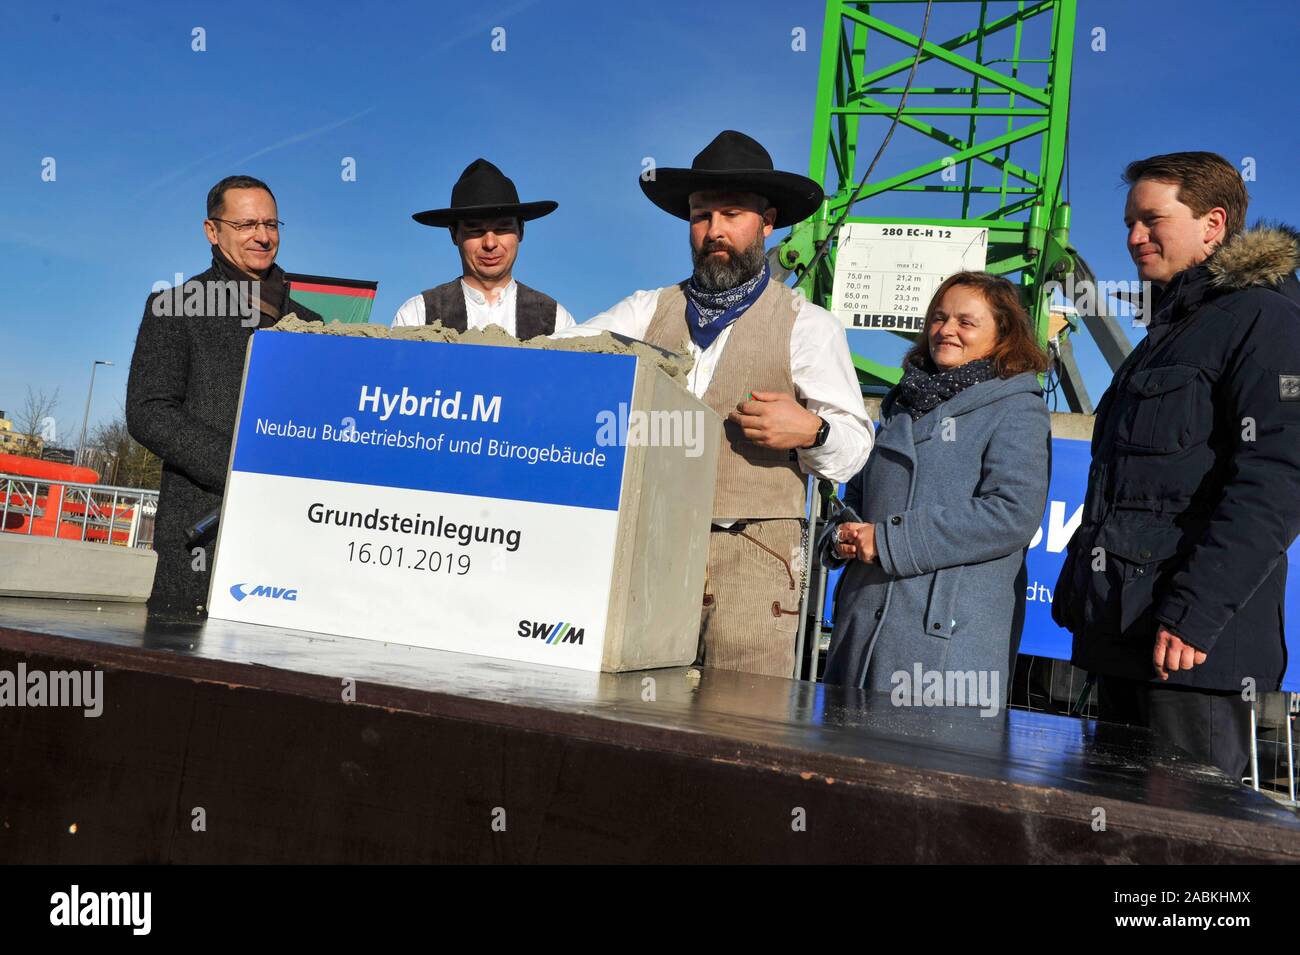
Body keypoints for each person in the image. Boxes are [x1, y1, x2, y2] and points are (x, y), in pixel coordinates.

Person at [554, 130, 873, 678]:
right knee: (630, 714)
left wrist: (812, 431)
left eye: (732, 214)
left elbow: (855, 445)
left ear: (768, 221)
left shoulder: (807, 326)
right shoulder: (646, 308)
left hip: (756, 563)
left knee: (738, 730)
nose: (714, 231)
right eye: (702, 216)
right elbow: (565, 361)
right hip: (646, 551)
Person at [1052, 151, 1300, 779]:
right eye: (1129, 222)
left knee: (1183, 857)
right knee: (1113, 843)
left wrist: (1195, 612)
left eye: (1151, 219)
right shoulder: (1171, 331)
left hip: (1191, 654)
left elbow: (1278, 478)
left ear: (1214, 224)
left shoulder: (1265, 321)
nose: (1134, 237)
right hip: (1127, 637)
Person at [821, 272, 1051, 705]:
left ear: (1003, 335)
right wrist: (841, 536)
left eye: (966, 322)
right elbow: (857, 492)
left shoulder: (1017, 409)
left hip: (944, 642)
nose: (946, 330)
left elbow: (1011, 514)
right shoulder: (900, 402)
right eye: (939, 318)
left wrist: (889, 540)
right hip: (862, 624)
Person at [126, 175, 323, 614]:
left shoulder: (314, 325)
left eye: (272, 224)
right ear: (212, 231)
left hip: (290, 537)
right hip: (201, 535)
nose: (263, 236)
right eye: (247, 224)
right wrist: (239, 466)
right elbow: (149, 412)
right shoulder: (173, 306)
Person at [392, 158, 575, 337]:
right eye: (475, 229)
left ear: (521, 231)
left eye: (502, 228)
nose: (490, 243)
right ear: (454, 234)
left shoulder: (556, 321)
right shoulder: (417, 316)